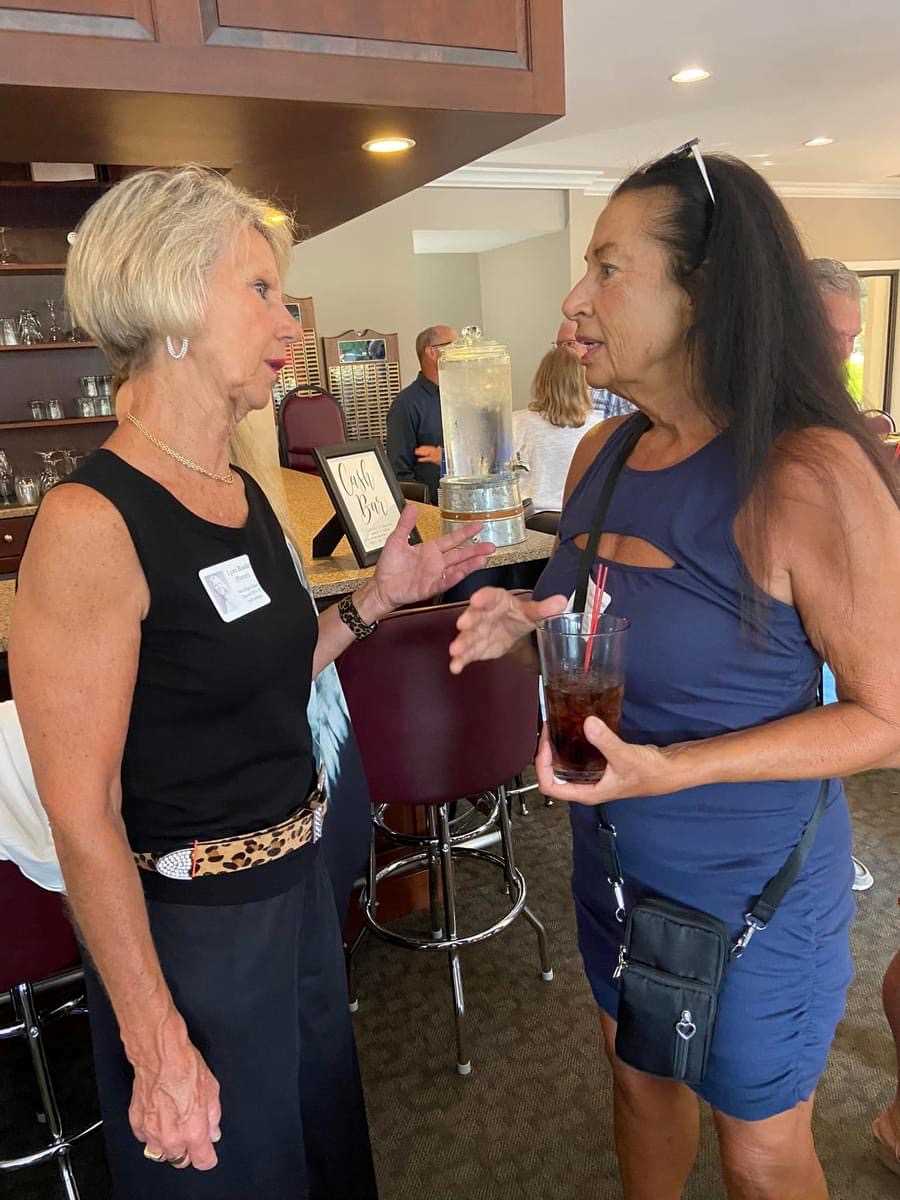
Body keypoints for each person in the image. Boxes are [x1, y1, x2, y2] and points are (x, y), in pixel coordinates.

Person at [9, 166, 492, 1200]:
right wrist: (155, 1041)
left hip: (298, 895)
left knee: (318, 1158)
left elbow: (266, 676)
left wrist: (375, 600)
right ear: (171, 296)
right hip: (193, 937)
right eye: (260, 289)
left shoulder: (238, 489)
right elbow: (82, 818)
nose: (289, 321)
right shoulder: (90, 524)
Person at [451, 149, 900, 1199]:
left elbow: (889, 717)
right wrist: (524, 619)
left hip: (753, 889)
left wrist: (675, 768)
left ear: (702, 292)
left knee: (759, 1150)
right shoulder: (604, 452)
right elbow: (601, 617)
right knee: (638, 1083)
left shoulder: (807, 470)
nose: (575, 300)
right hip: (614, 863)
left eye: (608, 269)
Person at [810, 258, 874, 891]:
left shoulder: (835, 410)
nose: (844, 352)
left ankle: (826, 852)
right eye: (832, 336)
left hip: (842, 608)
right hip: (791, 612)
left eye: (851, 338)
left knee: (838, 726)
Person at [512, 347, 601, 516]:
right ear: (583, 382)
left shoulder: (515, 423)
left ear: (541, 380)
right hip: (579, 519)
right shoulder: (600, 427)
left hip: (530, 518)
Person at [385, 323, 456, 502]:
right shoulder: (406, 404)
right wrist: (425, 510)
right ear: (432, 352)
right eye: (453, 346)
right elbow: (399, 473)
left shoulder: (462, 397)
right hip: (433, 507)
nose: (462, 353)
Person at [555, 317, 635, 419]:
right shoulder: (552, 386)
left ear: (590, 344)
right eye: (558, 346)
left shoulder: (617, 390)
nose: (561, 353)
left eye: (569, 344)